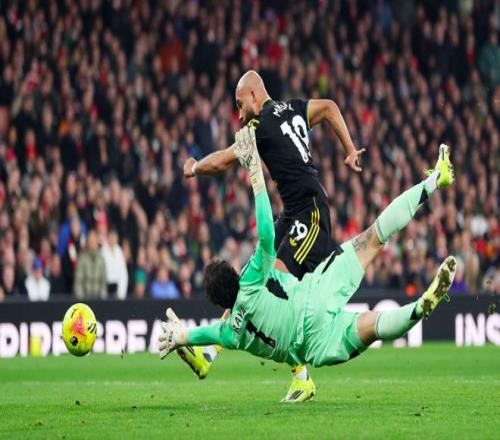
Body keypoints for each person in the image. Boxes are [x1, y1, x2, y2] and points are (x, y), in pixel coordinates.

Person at [159, 137, 456, 402]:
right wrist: (256, 177)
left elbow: (207, 332)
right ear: (234, 273)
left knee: (371, 326)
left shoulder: (230, 335)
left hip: (314, 346)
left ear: (217, 303)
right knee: (373, 239)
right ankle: (433, 181)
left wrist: (182, 337)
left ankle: (419, 308)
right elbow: (266, 234)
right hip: (313, 297)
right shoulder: (251, 279)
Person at [180, 70, 365, 401]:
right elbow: (330, 107)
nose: (239, 114)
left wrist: (193, 167)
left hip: (310, 214)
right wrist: (349, 149)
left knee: (274, 282)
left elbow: (222, 162)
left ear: (254, 95)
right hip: (292, 214)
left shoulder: (259, 126)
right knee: (250, 281)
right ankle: (208, 353)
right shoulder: (293, 108)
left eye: (240, 105)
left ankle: (302, 377)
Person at [74, 229, 107, 300]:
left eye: (94, 240)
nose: (92, 243)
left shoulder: (101, 258)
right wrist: (81, 299)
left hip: (99, 298)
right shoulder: (82, 258)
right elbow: (78, 282)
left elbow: (103, 281)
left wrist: (102, 298)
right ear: (87, 242)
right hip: (85, 298)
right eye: (90, 241)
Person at [101, 228, 129, 299]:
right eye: (111, 237)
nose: (113, 240)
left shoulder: (119, 251)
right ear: (108, 238)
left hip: (117, 289)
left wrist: (121, 294)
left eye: (115, 238)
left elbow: (123, 274)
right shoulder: (102, 251)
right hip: (106, 287)